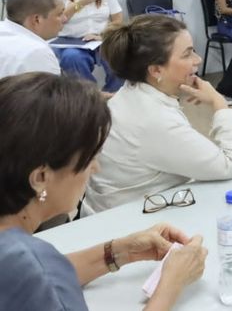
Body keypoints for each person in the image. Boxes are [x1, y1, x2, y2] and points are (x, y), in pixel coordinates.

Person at [0, 73, 207, 311]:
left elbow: (38, 278)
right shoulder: (26, 261)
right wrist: (171, 285)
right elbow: (37, 276)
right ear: (41, 178)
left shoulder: (21, 259)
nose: (95, 168)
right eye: (89, 159)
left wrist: (119, 252)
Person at [82, 14, 232, 215]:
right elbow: (230, 165)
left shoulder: (131, 91)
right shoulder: (154, 120)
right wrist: (220, 104)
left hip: (113, 211)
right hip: (131, 224)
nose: (198, 59)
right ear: (156, 70)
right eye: (187, 54)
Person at [56, 0, 124, 92]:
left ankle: (110, 95)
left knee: (119, 57)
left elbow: (117, 18)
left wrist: (104, 36)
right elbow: (59, 20)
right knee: (72, 57)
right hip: (72, 41)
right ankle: (89, 96)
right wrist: (79, 4)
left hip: (100, 40)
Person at [0, 0, 65, 77]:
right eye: (60, 14)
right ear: (37, 19)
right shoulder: (36, 53)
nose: (65, 18)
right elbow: (49, 92)